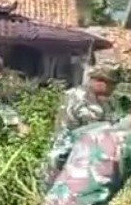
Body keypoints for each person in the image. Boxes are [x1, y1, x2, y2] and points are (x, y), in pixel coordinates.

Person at [35, 63, 120, 192]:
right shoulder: (77, 97)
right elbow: (89, 127)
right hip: (65, 155)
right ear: (99, 81)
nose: (113, 88)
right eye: (112, 84)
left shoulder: (103, 101)